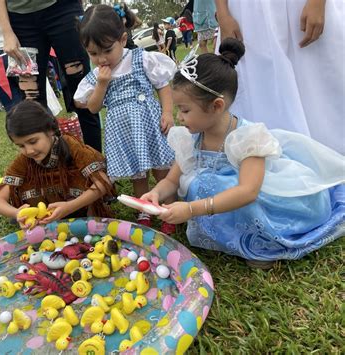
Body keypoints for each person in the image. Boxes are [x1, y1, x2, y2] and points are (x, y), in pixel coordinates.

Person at [141, 38, 345, 269]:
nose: (179, 117)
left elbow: (248, 191)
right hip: (220, 203)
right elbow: (171, 179)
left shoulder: (247, 137)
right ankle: (225, 235)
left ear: (217, 106)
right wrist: (156, 193)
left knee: (222, 188)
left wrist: (190, 209)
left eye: (185, 110)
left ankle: (261, 242)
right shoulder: (191, 137)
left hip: (260, 199)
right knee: (200, 183)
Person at [74, 5, 178, 234]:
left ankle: (168, 205)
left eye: (107, 50)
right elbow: (92, 107)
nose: (101, 59)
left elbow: (163, 86)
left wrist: (167, 112)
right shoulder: (95, 76)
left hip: (150, 124)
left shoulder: (142, 59)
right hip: (123, 131)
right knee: (137, 173)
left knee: (162, 168)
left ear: (122, 39)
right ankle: (144, 208)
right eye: (93, 54)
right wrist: (102, 83)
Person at [215, 0, 344, 154]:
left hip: (301, 7)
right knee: (262, 88)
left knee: (319, 84)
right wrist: (223, 14)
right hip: (249, 15)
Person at [0, 0, 102, 152]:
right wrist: (7, 32)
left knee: (83, 94)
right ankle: (50, 170)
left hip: (64, 9)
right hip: (19, 20)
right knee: (32, 102)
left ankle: (95, 163)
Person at [0, 100, 114, 228]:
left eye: (33, 141)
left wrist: (69, 207)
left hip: (81, 210)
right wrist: (17, 213)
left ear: (50, 130)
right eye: (21, 145)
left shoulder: (72, 147)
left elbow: (103, 183)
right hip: (47, 219)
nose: (28, 151)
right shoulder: (24, 160)